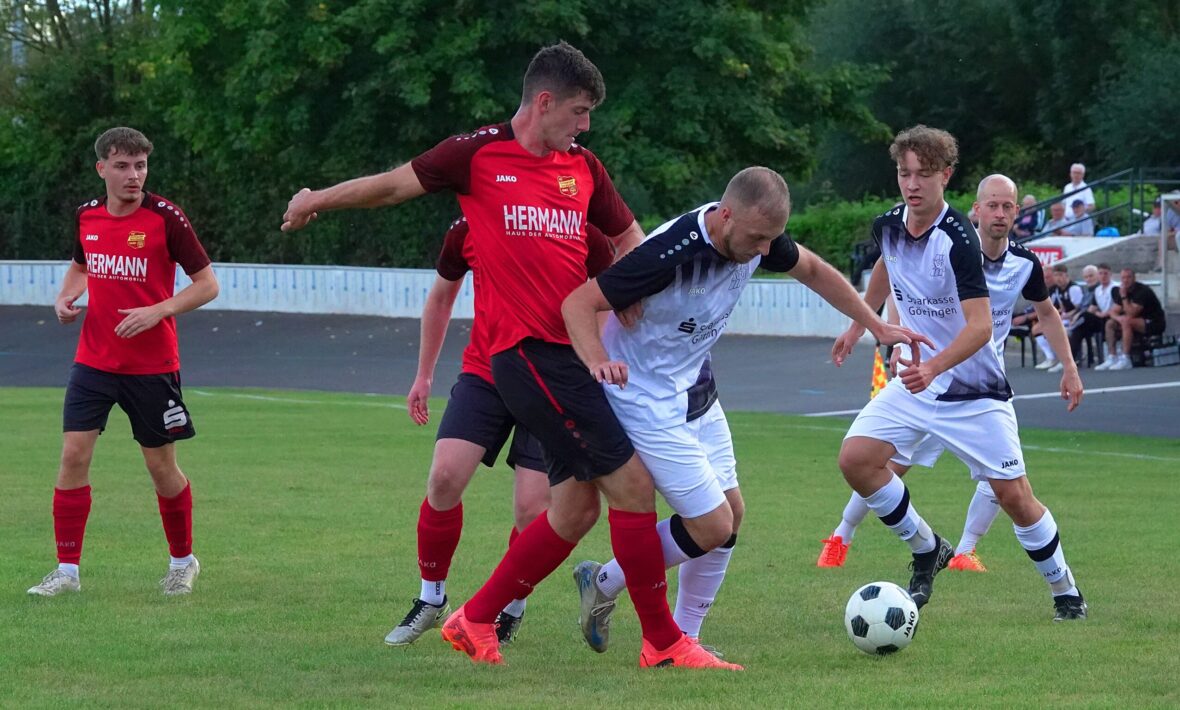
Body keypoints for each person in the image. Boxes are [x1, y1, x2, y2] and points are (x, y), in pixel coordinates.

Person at [282, 42, 736, 670]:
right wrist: (314, 199)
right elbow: (390, 187)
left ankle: (475, 618)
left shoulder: (584, 168)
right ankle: (662, 642)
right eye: (579, 111)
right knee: (631, 485)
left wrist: (633, 289)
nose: (585, 126)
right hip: (529, 356)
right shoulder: (476, 154)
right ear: (544, 102)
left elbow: (629, 235)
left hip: (574, 357)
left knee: (574, 510)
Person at [562, 167, 925, 654]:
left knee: (732, 515)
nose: (764, 250)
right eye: (756, 238)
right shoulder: (671, 252)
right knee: (711, 524)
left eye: (771, 239)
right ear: (726, 215)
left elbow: (813, 270)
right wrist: (597, 362)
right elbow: (578, 304)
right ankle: (609, 586)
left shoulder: (759, 238)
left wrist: (875, 325)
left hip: (694, 388)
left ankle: (683, 634)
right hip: (644, 397)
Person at [830, 126, 1087, 622]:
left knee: (1014, 496)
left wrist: (933, 366)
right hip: (916, 383)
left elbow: (981, 326)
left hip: (973, 390)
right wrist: (861, 323)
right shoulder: (888, 225)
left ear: (946, 176)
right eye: (904, 173)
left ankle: (1065, 591)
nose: (912, 184)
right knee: (856, 460)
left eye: (923, 174)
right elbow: (886, 266)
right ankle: (928, 547)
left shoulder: (959, 240)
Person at [383, 218, 612, 647]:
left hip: (552, 378)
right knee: (444, 477)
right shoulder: (470, 225)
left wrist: (593, 363)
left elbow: (607, 301)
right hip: (486, 371)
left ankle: (510, 607)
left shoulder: (579, 227)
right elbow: (441, 298)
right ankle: (431, 598)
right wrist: (424, 375)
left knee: (532, 511)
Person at [27, 127, 219, 598]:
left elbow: (207, 284)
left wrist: (159, 310)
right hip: (93, 361)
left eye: (141, 166)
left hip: (152, 367)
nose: (134, 175)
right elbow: (81, 266)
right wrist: (66, 297)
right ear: (102, 169)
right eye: (122, 166)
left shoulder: (166, 218)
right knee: (73, 456)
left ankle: (182, 562)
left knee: (160, 467)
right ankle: (67, 572)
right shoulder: (87, 216)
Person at [1099, 267, 1167, 371]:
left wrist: (1124, 297)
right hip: (1135, 321)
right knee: (1110, 323)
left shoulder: (1142, 291)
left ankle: (1125, 358)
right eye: (1123, 278)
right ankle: (1112, 356)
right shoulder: (1122, 290)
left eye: (1128, 277)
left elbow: (1131, 313)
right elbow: (1112, 311)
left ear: (1134, 278)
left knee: (1127, 321)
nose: (1125, 280)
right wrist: (1119, 318)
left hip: (1153, 322)